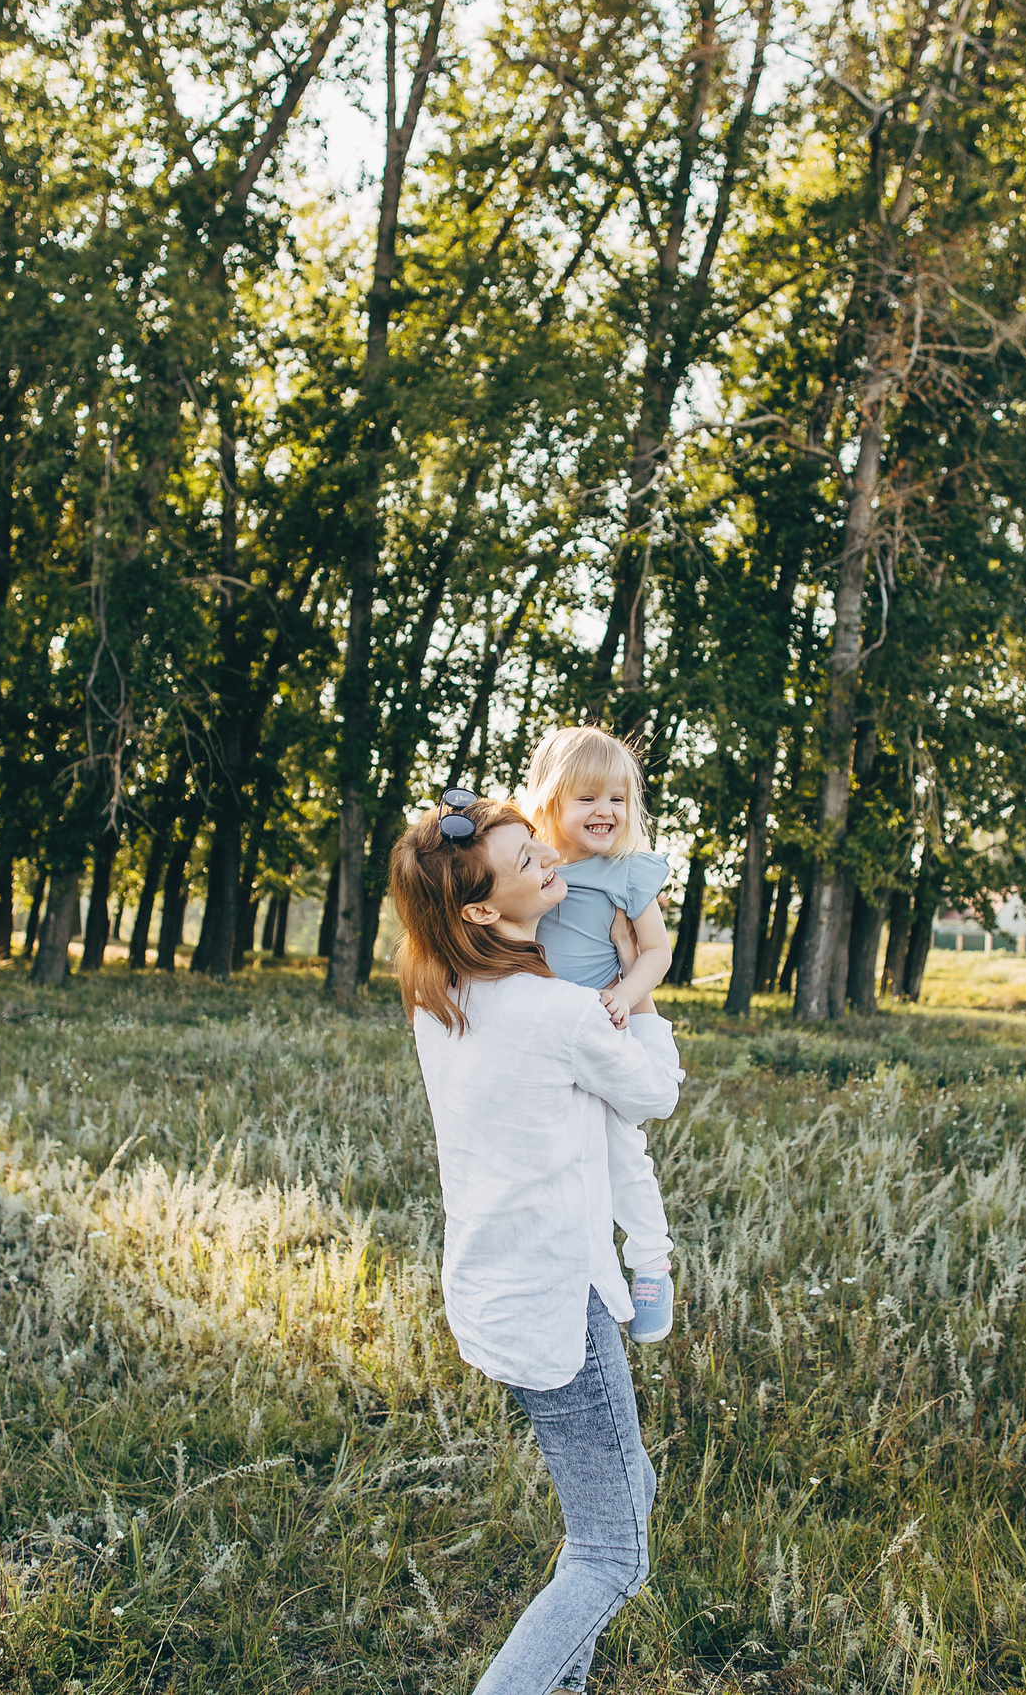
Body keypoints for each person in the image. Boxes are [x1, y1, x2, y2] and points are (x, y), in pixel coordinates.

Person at [390, 792, 682, 1695]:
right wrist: (643, 989)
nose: (551, 862)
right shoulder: (554, 1013)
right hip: (564, 1303)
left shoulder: (441, 999)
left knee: (623, 1490)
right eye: (529, 863)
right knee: (614, 1551)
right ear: (481, 908)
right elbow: (654, 1094)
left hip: (495, 1289)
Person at [520, 725, 678, 1341]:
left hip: (607, 1023)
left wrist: (626, 994)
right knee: (557, 1149)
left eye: (616, 798)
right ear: (551, 802)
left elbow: (657, 952)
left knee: (622, 1150)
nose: (605, 810)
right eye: (586, 798)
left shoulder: (626, 875)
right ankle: (570, 1258)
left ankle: (650, 1259)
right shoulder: (528, 867)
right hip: (546, 1033)